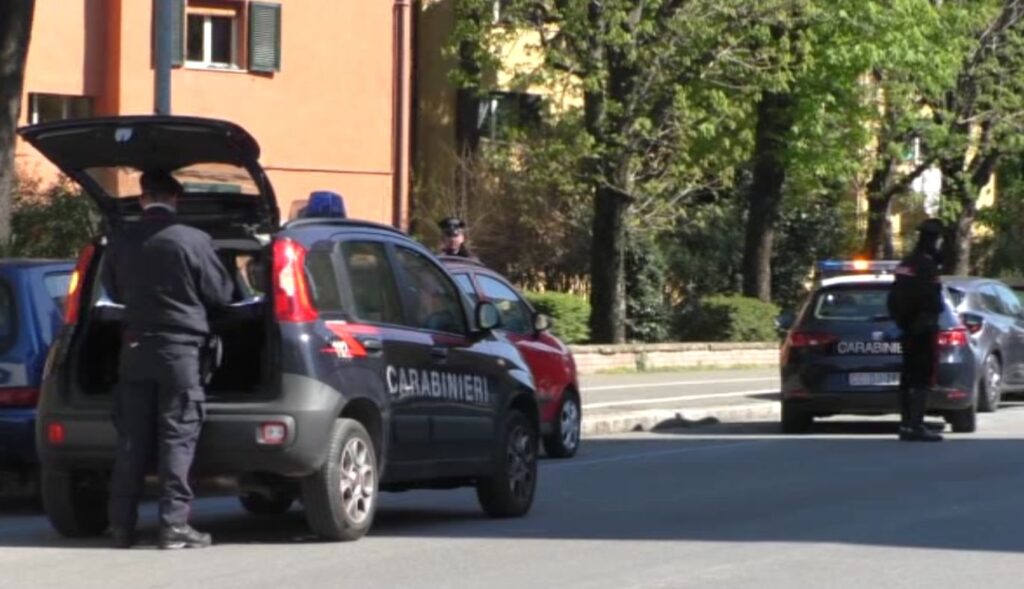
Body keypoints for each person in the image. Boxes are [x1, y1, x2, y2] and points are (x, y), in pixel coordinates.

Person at [103, 170, 236, 549]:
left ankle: (121, 527)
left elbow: (114, 291)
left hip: (134, 348)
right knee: (177, 435)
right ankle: (174, 526)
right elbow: (221, 294)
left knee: (132, 438)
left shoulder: (122, 240)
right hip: (179, 350)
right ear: (176, 199)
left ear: (142, 199)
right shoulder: (193, 240)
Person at [887, 218, 946, 443]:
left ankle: (906, 424)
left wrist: (901, 321)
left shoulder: (906, 262)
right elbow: (931, 299)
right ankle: (916, 425)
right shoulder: (926, 266)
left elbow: (893, 297)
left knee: (908, 376)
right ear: (935, 240)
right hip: (922, 328)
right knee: (921, 376)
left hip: (906, 328)